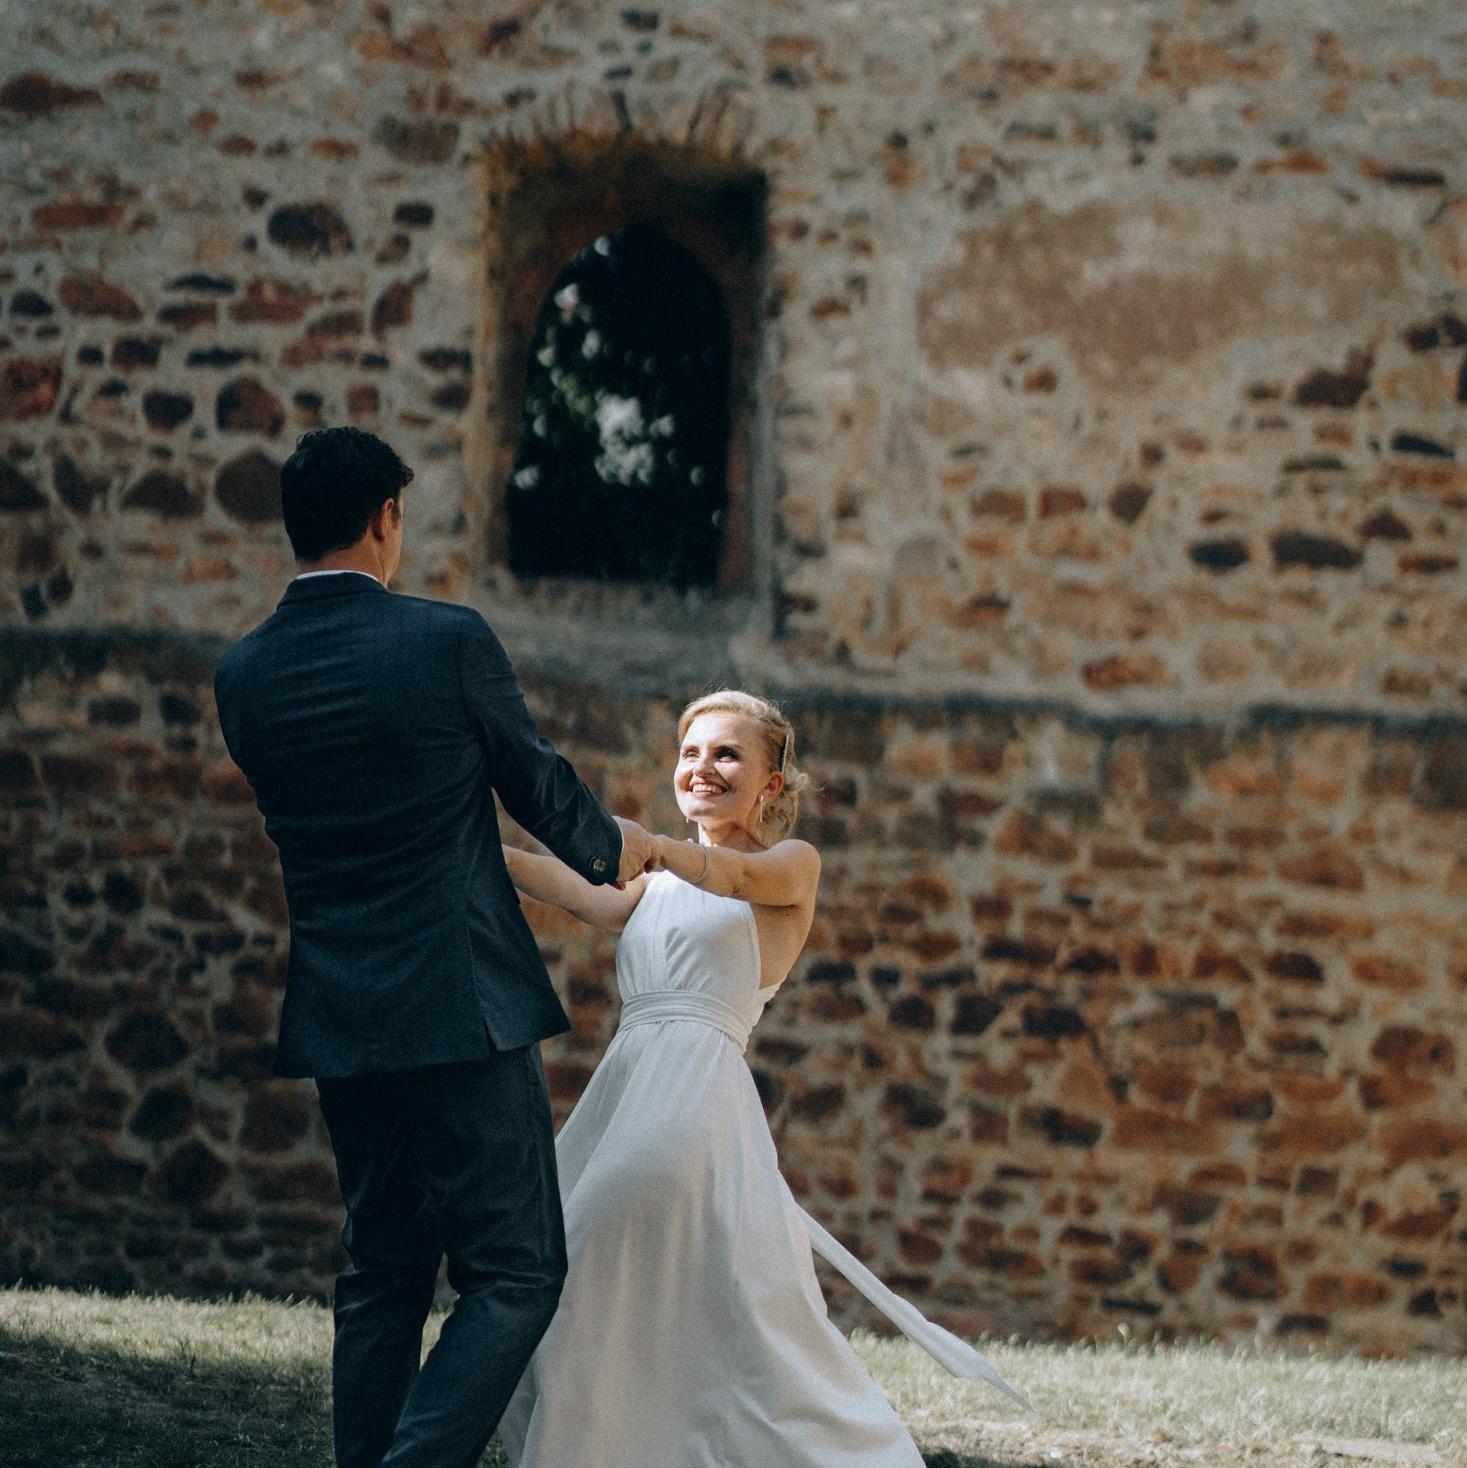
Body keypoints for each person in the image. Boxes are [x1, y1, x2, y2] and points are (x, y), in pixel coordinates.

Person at [213, 426, 657, 1468]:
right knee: (515, 1270)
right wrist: (617, 857)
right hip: (462, 1003)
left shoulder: (244, 676)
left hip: (339, 1010)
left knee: (383, 1269)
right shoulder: (446, 640)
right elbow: (535, 782)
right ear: (386, 521)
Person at [498, 690, 1025, 1468]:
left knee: (590, 1241)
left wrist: (649, 846)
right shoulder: (652, 883)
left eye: (726, 754)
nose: (701, 768)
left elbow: (736, 884)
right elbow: (577, 890)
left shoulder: (790, 865)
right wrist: (466, 843)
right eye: (690, 753)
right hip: (625, 1089)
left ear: (771, 784)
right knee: (613, 1275)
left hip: (693, 1098)